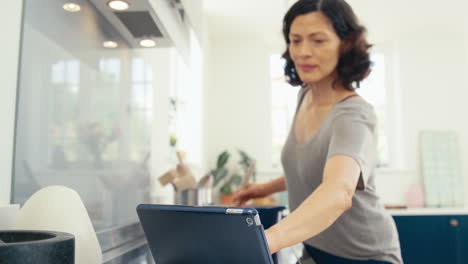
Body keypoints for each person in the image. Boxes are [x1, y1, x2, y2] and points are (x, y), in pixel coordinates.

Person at [232, 0, 403, 263]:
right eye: (295, 40)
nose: (303, 52)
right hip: (315, 250)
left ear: (345, 44)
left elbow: (338, 191)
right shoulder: (305, 96)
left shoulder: (354, 115)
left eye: (318, 41)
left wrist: (264, 241)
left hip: (365, 255)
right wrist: (260, 189)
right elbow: (311, 169)